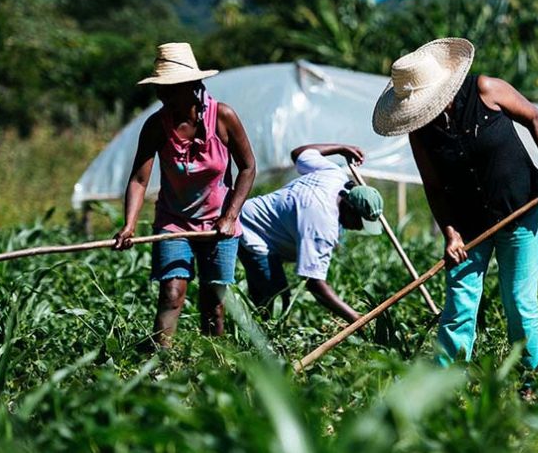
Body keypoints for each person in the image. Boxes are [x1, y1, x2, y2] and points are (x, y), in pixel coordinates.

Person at [371, 37, 538, 388]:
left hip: (518, 211)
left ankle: (531, 381)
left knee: (520, 302)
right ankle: (444, 385)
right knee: (459, 305)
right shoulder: (421, 132)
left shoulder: (486, 89)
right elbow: (433, 185)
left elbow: (535, 118)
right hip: (467, 227)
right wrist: (450, 233)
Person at [113, 42, 256, 349]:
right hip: (174, 221)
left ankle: (211, 366)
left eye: (170, 88)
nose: (162, 96)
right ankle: (159, 364)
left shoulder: (223, 118)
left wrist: (230, 217)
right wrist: (129, 225)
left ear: (191, 85)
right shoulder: (156, 126)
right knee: (171, 294)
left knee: (213, 304)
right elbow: (139, 179)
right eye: (160, 89)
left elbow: (247, 167)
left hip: (219, 225)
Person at [237, 144, 384, 324]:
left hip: (260, 217)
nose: (359, 229)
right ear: (349, 209)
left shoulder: (335, 175)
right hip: (254, 231)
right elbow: (313, 282)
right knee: (274, 302)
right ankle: (257, 344)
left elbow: (298, 153)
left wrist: (339, 148)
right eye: (359, 223)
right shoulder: (321, 224)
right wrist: (355, 318)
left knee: (273, 300)